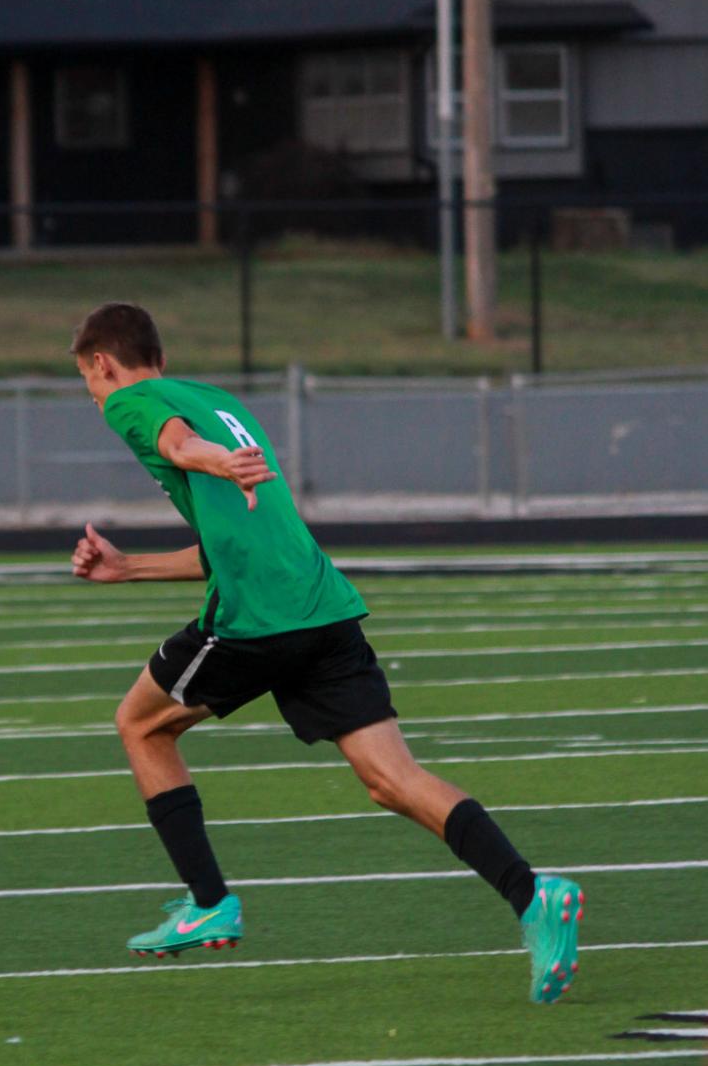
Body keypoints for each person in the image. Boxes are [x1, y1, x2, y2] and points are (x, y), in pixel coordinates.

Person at [69, 300, 582, 1002]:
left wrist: (214, 462)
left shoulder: (130, 400)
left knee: (139, 723)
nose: (93, 394)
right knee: (392, 779)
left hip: (259, 621)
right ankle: (533, 894)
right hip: (321, 605)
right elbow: (232, 542)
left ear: (102, 361)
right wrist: (128, 567)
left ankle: (209, 900)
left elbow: (180, 445)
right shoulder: (219, 402)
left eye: (88, 380)